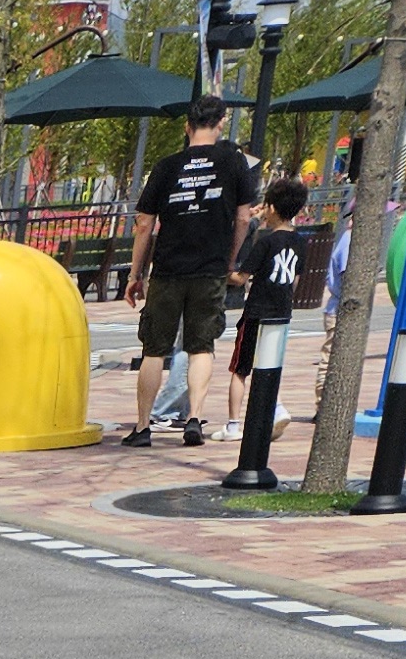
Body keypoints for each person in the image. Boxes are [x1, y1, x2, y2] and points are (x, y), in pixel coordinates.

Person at [123, 94, 258, 447]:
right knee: (201, 346)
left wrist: (135, 274)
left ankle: (143, 427)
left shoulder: (167, 166)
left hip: (168, 268)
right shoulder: (234, 162)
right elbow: (244, 218)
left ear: (187, 126)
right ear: (221, 123)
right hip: (210, 268)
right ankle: (193, 418)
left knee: (155, 349)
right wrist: (229, 259)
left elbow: (144, 224)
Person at [229, 175, 315, 412]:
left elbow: (240, 278)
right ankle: (274, 409)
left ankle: (233, 422)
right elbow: (295, 280)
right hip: (282, 312)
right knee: (270, 365)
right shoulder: (300, 242)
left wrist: (223, 272)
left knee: (240, 369)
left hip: (256, 312)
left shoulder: (266, 243)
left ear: (272, 208)